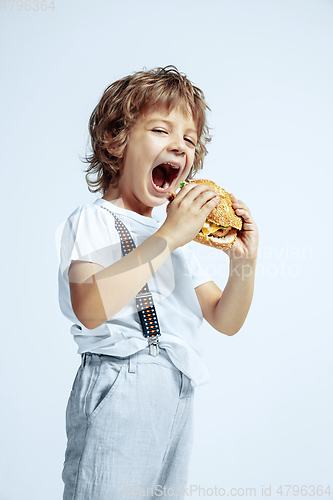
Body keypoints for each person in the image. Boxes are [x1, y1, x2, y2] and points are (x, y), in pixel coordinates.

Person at [58, 65, 259, 499]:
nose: (179, 145)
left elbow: (224, 319)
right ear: (118, 141)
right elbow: (90, 309)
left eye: (188, 139)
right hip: (119, 386)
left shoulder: (179, 242)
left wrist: (244, 263)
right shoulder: (93, 220)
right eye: (161, 130)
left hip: (178, 392)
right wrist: (168, 237)